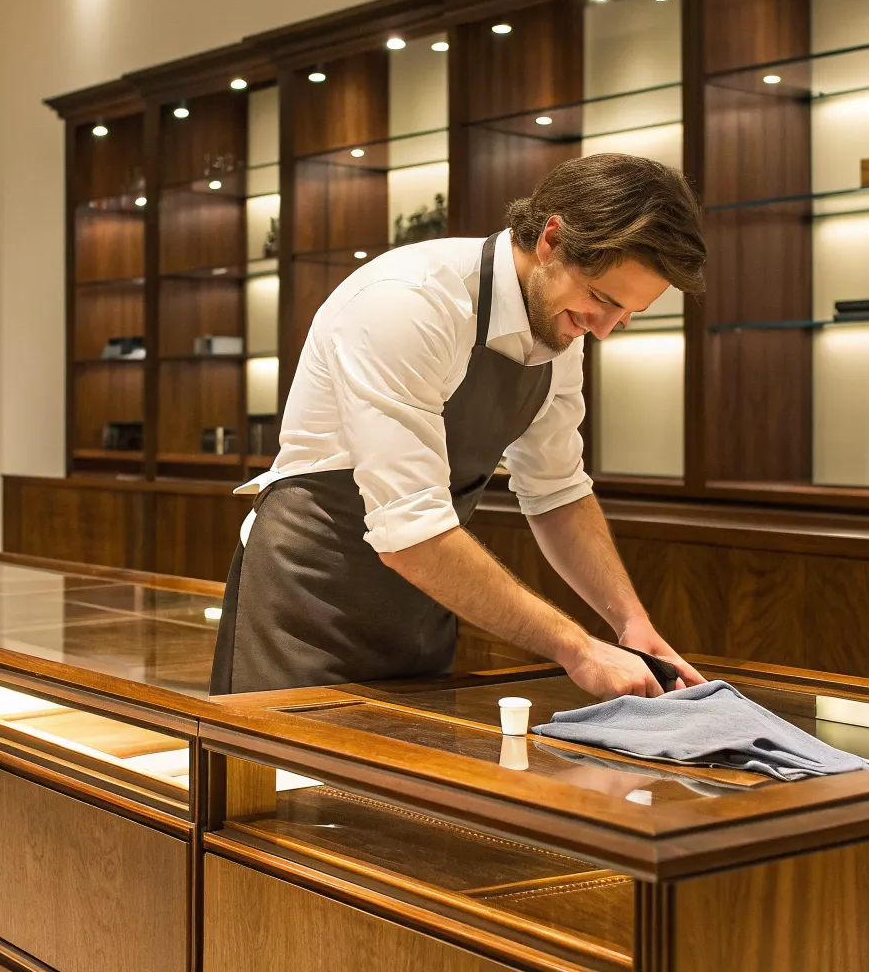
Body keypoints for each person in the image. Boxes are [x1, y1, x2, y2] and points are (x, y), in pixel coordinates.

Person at [211, 153, 709, 701]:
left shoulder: (559, 325)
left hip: (427, 601)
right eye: (602, 299)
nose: (606, 331)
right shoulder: (410, 302)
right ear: (552, 239)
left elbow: (558, 491)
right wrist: (578, 648)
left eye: (628, 314)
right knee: (294, 785)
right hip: (307, 602)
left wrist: (631, 623)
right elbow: (410, 531)